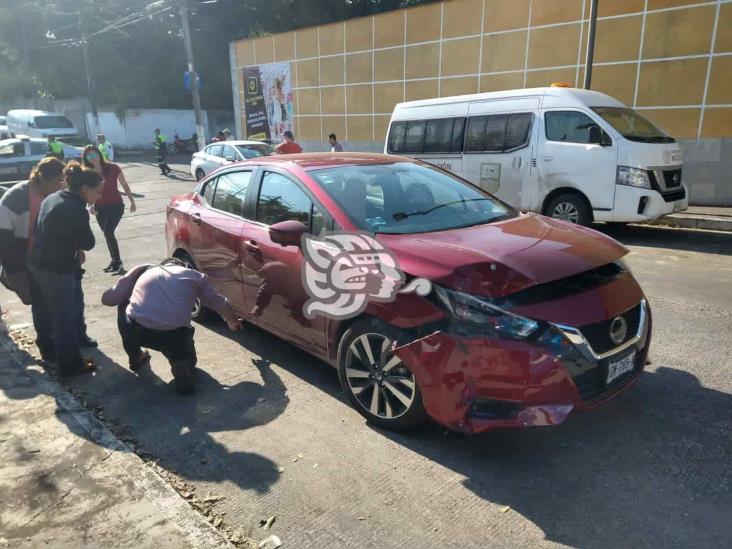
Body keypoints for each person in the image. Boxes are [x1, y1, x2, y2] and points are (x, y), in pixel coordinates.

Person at [101, 258, 240, 394]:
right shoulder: (195, 277)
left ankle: (135, 356)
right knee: (183, 353)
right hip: (174, 336)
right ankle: (181, 362)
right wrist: (232, 321)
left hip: (136, 330)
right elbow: (219, 302)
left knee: (123, 304)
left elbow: (108, 299)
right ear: (184, 267)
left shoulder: (143, 270)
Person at [28, 162, 102, 374]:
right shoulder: (76, 208)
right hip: (56, 269)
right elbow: (88, 243)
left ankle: (49, 353)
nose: (99, 197)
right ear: (85, 189)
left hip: (36, 262)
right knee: (64, 317)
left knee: (42, 310)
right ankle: (70, 365)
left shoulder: (53, 197)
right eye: (97, 192)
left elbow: (37, 228)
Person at [0, 157, 65, 306]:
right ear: (44, 180)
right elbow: (3, 244)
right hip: (22, 265)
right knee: (37, 303)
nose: (61, 186)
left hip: (47, 264)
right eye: (58, 182)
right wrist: (14, 275)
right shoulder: (15, 199)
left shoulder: (54, 196)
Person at [82, 145, 137, 274]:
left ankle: (118, 262)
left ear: (99, 154)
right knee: (107, 235)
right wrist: (91, 206)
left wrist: (132, 201)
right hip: (99, 207)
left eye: (94, 155)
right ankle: (114, 261)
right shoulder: (87, 172)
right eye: (89, 156)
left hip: (116, 205)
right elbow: (86, 191)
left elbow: (124, 184)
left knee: (108, 232)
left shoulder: (113, 167)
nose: (92, 158)